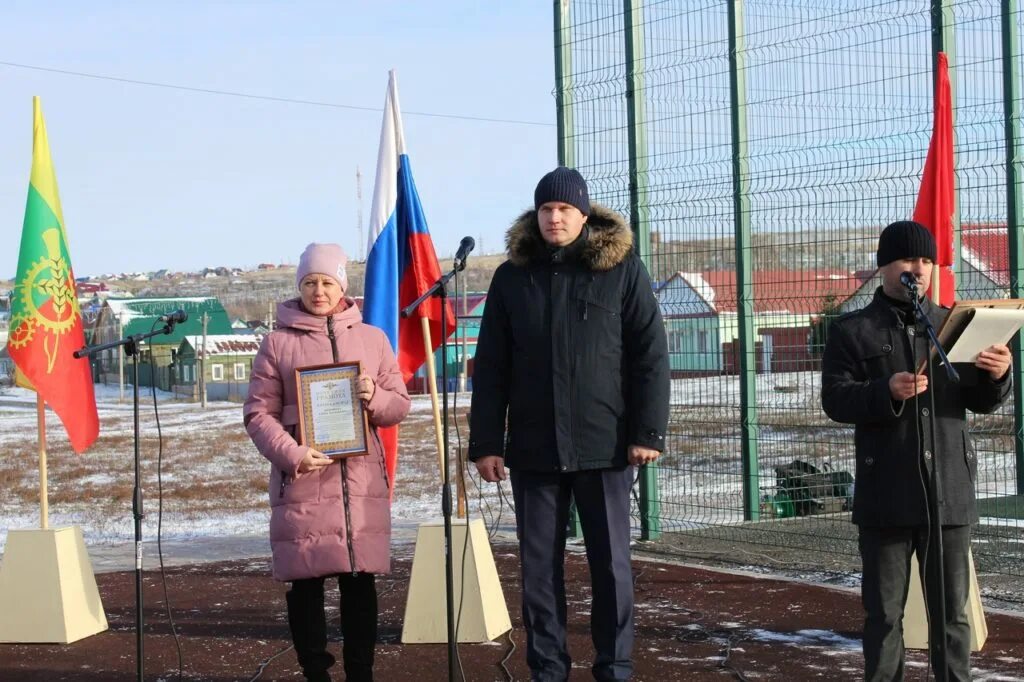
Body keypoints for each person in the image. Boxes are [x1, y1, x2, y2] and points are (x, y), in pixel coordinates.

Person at [468, 166, 670, 681]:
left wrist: (647, 433)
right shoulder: (512, 277)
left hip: (605, 447)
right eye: (546, 210)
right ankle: (548, 669)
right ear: (535, 216)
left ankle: (615, 667)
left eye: (564, 210)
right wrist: (488, 442)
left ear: (584, 215)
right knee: (538, 572)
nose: (554, 218)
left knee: (610, 567)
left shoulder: (621, 269)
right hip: (533, 450)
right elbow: (490, 365)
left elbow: (650, 355)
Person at [821, 220, 1012, 681]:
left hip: (949, 492)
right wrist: (885, 390)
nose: (920, 269)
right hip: (887, 494)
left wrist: (998, 374)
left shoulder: (953, 323)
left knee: (952, 618)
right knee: (884, 617)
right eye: (909, 259)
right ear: (885, 265)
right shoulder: (853, 330)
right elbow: (835, 399)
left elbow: (980, 402)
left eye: (927, 261)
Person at [244, 242, 410, 682]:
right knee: (306, 585)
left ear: (343, 286)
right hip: (303, 481)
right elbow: (258, 414)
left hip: (359, 483)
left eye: (327, 282)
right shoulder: (277, 344)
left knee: (360, 584)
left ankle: (362, 673)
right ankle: (314, 672)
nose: (319, 291)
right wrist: (293, 454)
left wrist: (374, 397)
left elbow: (398, 405)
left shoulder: (373, 339)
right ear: (299, 285)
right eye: (310, 282)